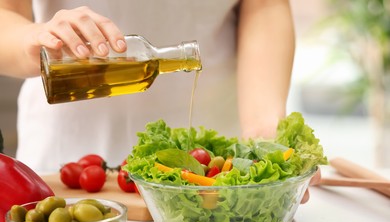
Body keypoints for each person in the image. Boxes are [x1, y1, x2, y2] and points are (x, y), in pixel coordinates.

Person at [0, 0, 307, 200]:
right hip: (65, 162)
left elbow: (265, 6)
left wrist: (264, 126)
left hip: (216, 172)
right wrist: (32, 39)